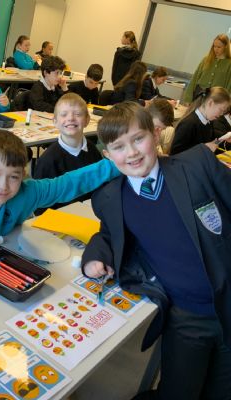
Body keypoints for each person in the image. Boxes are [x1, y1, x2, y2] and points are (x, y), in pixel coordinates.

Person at [82, 101, 231, 400]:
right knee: (180, 391)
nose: (132, 153)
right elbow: (108, 233)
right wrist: (94, 256)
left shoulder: (197, 165)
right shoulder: (111, 198)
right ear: (108, 155)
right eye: (119, 147)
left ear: (156, 134)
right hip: (185, 317)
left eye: (138, 139)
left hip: (228, 298)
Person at [33, 93, 101, 212]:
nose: (70, 118)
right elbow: (40, 205)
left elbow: (101, 186)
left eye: (78, 114)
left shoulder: (93, 151)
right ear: (55, 121)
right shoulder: (48, 161)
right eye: (64, 114)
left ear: (87, 120)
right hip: (60, 218)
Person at [170, 86, 230, 155]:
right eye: (221, 110)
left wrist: (223, 139)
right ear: (210, 103)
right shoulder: (189, 124)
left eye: (223, 111)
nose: (221, 114)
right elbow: (175, 152)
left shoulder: (209, 122)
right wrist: (204, 148)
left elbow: (210, 144)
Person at [183, 34, 231, 104]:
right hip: (198, 95)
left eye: (219, 47)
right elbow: (194, 78)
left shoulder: (229, 64)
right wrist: (188, 98)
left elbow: (229, 87)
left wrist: (225, 103)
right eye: (214, 46)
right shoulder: (206, 59)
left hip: (216, 99)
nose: (216, 49)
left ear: (226, 47)